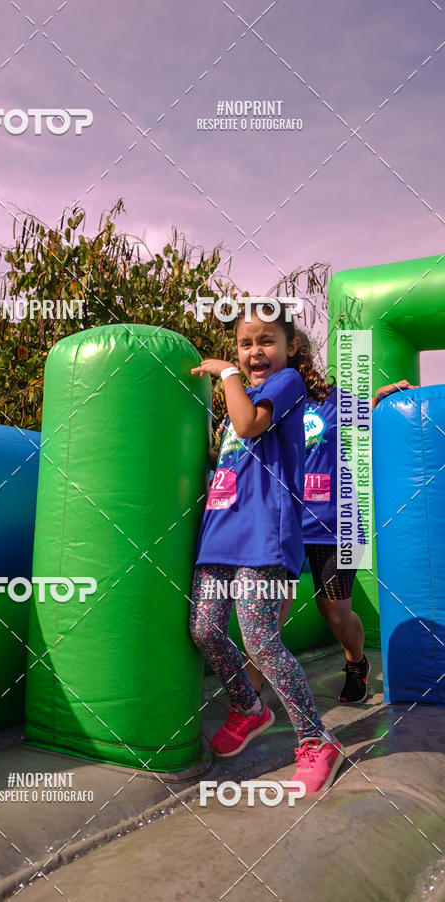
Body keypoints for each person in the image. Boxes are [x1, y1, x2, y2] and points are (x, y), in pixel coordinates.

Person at [190, 303, 344, 795]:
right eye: (244, 343)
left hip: (265, 538)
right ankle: (249, 708)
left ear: (289, 347)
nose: (255, 351)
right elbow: (227, 454)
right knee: (205, 629)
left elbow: (251, 423)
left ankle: (317, 740)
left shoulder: (288, 386)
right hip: (220, 536)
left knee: (259, 639)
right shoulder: (239, 400)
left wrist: (229, 374)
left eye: (265, 341)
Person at [245, 327, 417, 704]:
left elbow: (369, 415)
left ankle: (356, 663)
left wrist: (382, 401)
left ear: (294, 356)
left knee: (335, 612)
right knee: (269, 614)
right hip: (282, 526)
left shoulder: (331, 400)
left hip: (335, 525)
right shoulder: (262, 406)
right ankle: (250, 699)